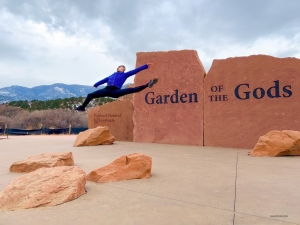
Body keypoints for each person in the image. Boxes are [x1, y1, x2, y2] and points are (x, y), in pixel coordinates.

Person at [76, 63, 158, 111]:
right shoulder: (111, 76)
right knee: (90, 95)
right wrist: (96, 84)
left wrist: (146, 66)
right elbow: (104, 80)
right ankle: (82, 107)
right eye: (121, 67)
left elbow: (135, 71)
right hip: (106, 90)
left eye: (123, 68)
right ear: (118, 68)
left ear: (124, 70)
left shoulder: (125, 75)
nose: (122, 68)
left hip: (116, 91)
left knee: (132, 90)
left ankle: (148, 84)